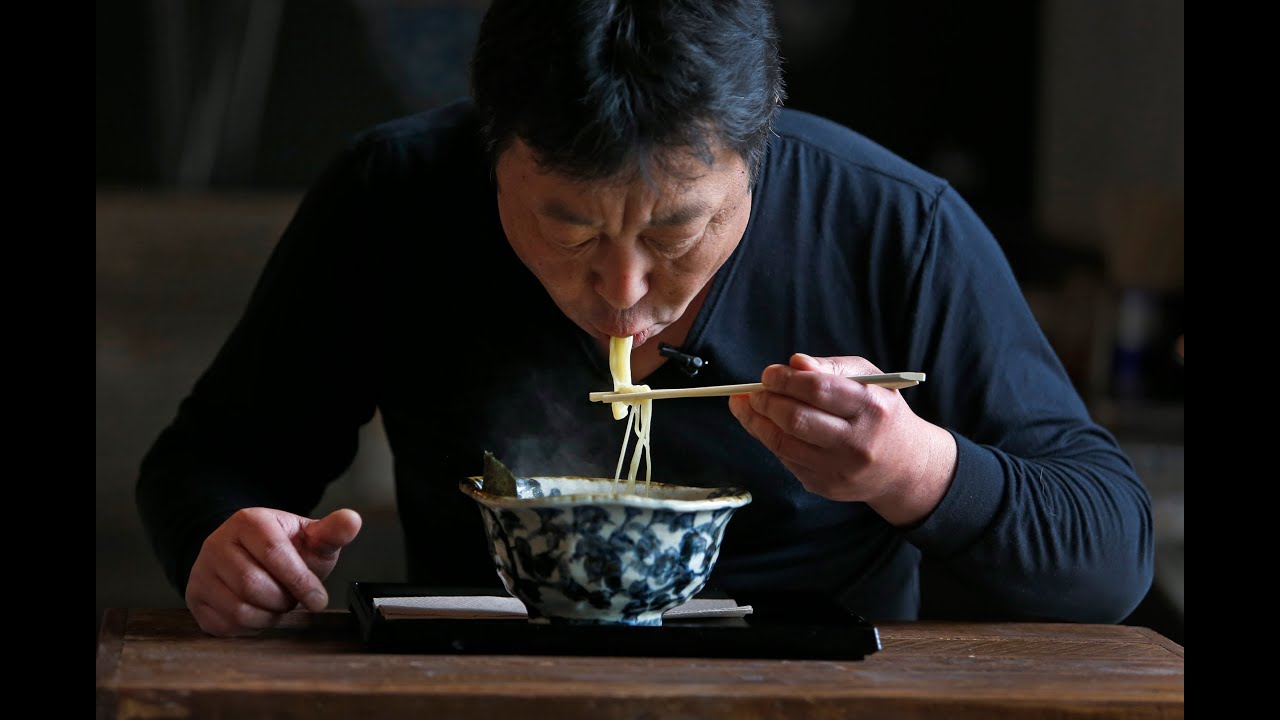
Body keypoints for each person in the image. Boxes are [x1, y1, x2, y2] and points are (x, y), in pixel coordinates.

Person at [137, 0, 1153, 638]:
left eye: (677, 231)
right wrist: (224, 547)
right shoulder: (393, 194)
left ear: (761, 156)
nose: (622, 289)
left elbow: (1108, 556)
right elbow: (207, 460)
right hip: (480, 693)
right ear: (490, 153)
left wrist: (914, 472)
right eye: (568, 229)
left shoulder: (889, 223)